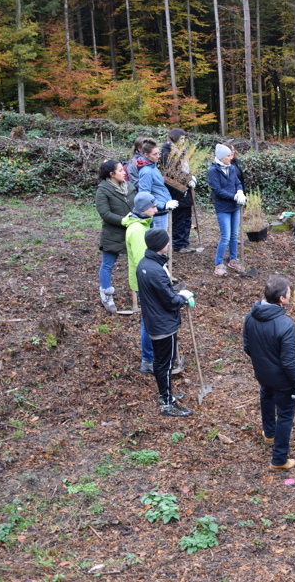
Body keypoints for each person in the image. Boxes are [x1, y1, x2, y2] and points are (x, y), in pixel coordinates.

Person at [242, 276, 295, 470]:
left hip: (262, 373)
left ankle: (269, 432)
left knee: (266, 395)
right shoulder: (286, 325)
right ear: (281, 299)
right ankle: (279, 459)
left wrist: (262, 361)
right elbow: (289, 361)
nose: (290, 296)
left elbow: (247, 346)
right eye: (288, 293)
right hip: (282, 379)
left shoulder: (250, 315)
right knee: (286, 415)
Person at [137, 228, 194, 417]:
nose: (169, 244)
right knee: (165, 364)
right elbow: (170, 301)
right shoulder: (155, 271)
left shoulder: (144, 264)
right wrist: (183, 296)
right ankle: (167, 402)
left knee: (162, 363)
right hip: (163, 325)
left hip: (154, 320)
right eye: (166, 241)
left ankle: (165, 394)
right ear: (159, 245)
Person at [123, 192, 159, 374]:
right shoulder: (137, 230)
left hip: (144, 281)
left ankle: (151, 356)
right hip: (144, 283)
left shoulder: (141, 224)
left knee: (149, 319)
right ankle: (148, 360)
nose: (156, 209)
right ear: (144, 209)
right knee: (148, 320)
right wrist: (155, 281)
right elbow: (142, 261)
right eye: (153, 207)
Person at [95, 159, 135, 313]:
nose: (124, 172)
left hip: (132, 232)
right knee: (107, 264)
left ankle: (140, 292)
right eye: (120, 170)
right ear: (111, 174)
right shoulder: (103, 190)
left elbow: (138, 204)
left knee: (138, 263)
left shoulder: (129, 186)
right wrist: (123, 220)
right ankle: (106, 293)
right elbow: (104, 213)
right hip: (113, 234)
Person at [208, 143, 246, 276]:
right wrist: (234, 196)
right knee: (225, 236)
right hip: (223, 208)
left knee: (234, 235)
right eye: (228, 155)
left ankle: (233, 260)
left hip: (234, 207)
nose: (231, 157)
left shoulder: (231, 168)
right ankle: (218, 264)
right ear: (222, 156)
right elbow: (217, 191)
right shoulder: (213, 171)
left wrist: (240, 191)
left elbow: (237, 183)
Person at [161, 128, 198, 254]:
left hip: (185, 188)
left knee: (187, 216)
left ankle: (185, 242)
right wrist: (187, 178)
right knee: (179, 217)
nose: (183, 141)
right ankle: (178, 244)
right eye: (181, 139)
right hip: (175, 188)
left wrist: (190, 176)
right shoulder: (167, 151)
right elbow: (170, 171)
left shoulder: (182, 151)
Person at [136, 140, 177, 232]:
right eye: (154, 154)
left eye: (158, 153)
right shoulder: (146, 172)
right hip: (157, 213)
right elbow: (144, 195)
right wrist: (163, 205)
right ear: (146, 155)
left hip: (162, 211)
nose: (158, 156)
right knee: (159, 243)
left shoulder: (153, 167)